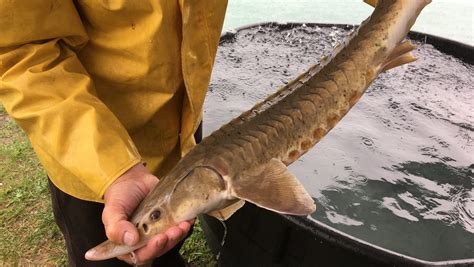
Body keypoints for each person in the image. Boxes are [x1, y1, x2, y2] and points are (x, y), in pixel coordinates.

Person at [0, 1, 228, 266]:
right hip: (89, 156)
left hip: (182, 124)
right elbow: (23, 55)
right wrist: (115, 171)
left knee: (167, 245)